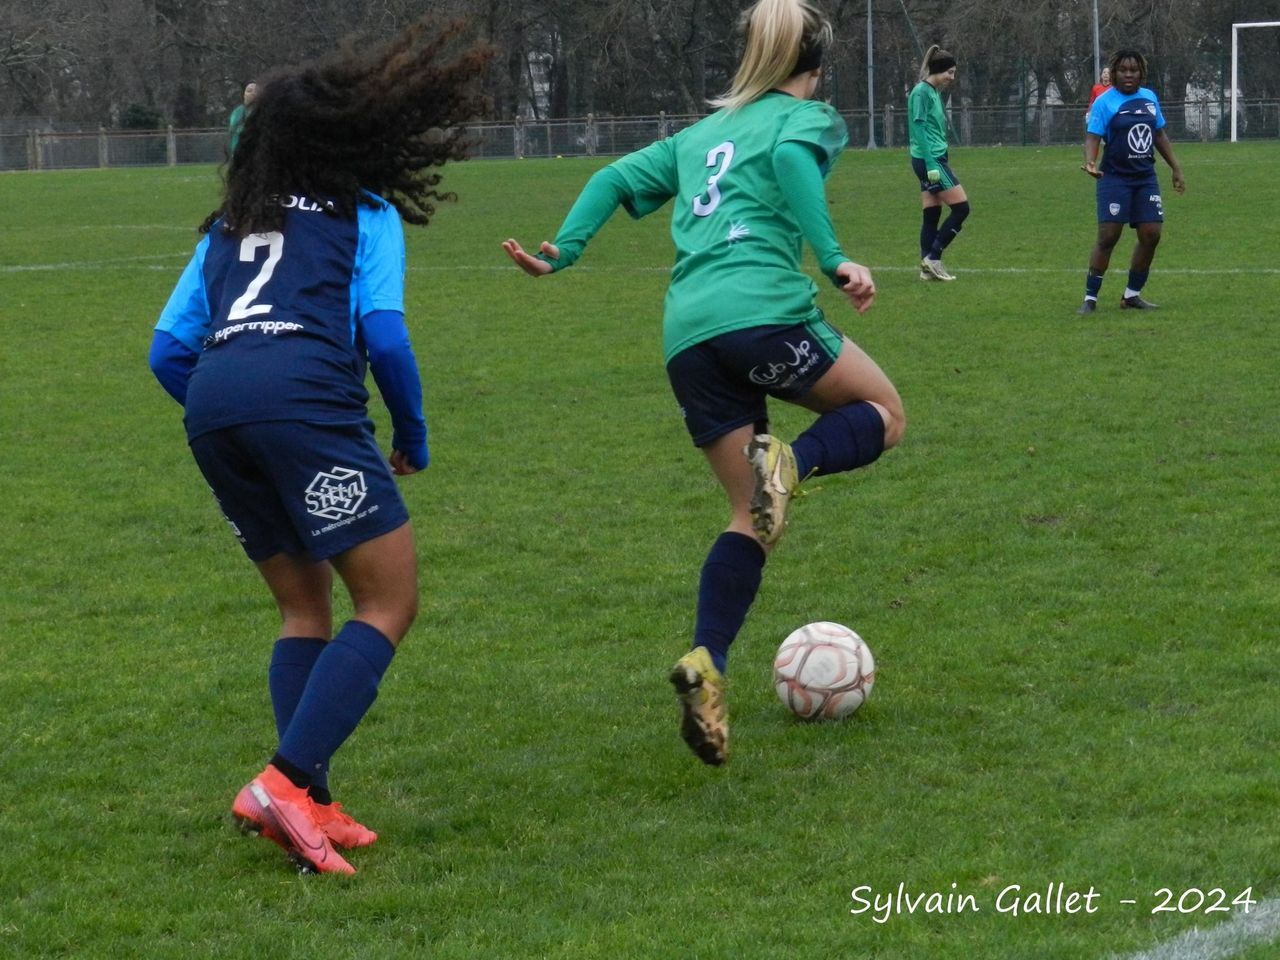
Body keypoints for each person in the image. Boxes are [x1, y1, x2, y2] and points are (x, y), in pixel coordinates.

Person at [502, 0, 904, 767]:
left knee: (751, 512)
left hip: (688, 334)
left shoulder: (699, 134)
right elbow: (789, 166)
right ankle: (796, 460)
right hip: (762, 313)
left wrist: (565, 252)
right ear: (816, 67)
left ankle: (707, 664)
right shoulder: (806, 120)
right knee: (883, 412)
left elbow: (616, 175)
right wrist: (833, 255)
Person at [149, 18, 491, 874]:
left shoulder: (229, 223)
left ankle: (316, 801)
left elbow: (167, 353)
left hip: (214, 407)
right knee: (389, 602)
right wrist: (408, 434)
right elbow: (386, 339)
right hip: (302, 401)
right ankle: (286, 782)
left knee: (304, 609)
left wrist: (237, 416)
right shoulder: (364, 209)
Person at [1076, 49, 1185, 314]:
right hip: (1114, 177)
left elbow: (1158, 134)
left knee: (1151, 234)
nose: (1128, 74)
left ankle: (1131, 295)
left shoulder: (1149, 98)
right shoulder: (1105, 102)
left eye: (1133, 70)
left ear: (1141, 73)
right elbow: (1093, 136)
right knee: (1109, 236)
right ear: (1113, 73)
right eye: (1123, 70)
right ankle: (1090, 298)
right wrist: (1091, 161)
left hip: (1145, 178)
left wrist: (1175, 168)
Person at [908, 44, 970, 282]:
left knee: (932, 213)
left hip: (932, 158)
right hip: (930, 160)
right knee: (962, 208)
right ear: (939, 70)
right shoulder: (922, 92)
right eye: (950, 72)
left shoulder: (932, 92)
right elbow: (919, 128)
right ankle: (933, 258)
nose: (951, 78)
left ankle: (927, 268)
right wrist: (932, 164)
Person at [227, 81, 257, 155]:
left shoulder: (264, 111)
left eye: (256, 91)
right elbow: (232, 130)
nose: (252, 93)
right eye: (249, 91)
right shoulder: (238, 112)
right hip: (239, 151)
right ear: (244, 95)